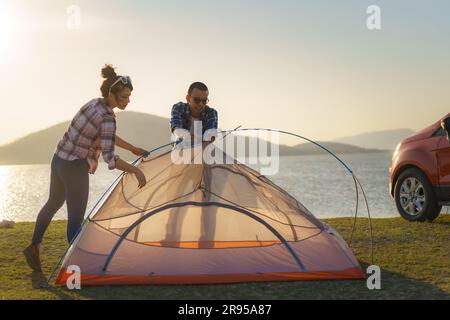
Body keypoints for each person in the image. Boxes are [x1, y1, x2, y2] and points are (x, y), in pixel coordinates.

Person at [23, 65, 148, 272]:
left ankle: (34, 245)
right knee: (75, 217)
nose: (126, 101)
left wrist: (132, 148)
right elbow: (110, 157)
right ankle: (77, 267)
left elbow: (106, 136)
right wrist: (135, 170)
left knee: (53, 203)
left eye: (128, 97)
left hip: (59, 159)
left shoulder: (93, 104)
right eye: (123, 97)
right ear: (111, 94)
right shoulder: (108, 117)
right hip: (75, 166)